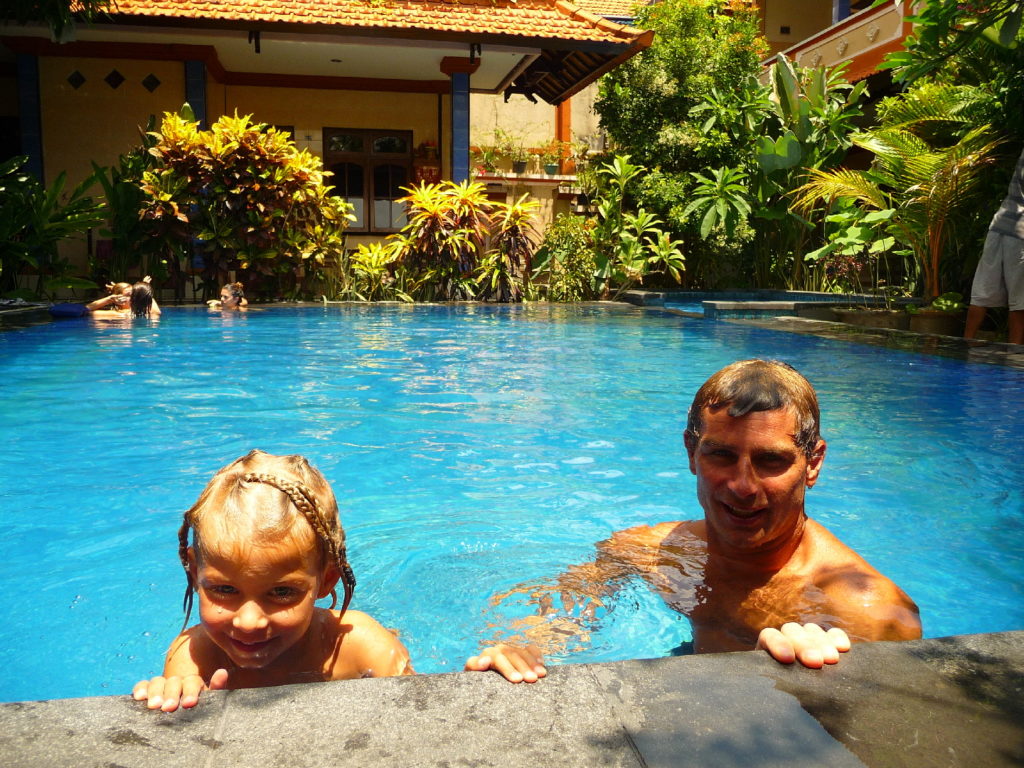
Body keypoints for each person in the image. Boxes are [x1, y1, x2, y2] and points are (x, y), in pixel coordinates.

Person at [491, 359, 921, 672]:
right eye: (721, 455)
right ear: (691, 453)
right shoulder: (650, 550)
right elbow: (566, 611)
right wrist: (518, 649)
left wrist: (818, 681)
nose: (742, 485)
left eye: (771, 461)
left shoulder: (866, 612)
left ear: (813, 463)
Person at [133, 450, 538, 712]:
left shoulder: (359, 647)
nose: (249, 622)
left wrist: (478, 684)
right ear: (193, 571)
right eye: (224, 589)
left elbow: (428, 717)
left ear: (326, 582)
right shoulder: (195, 654)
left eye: (281, 592)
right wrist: (175, 697)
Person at [964, 146, 1024, 345]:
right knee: (1020, 300)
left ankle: (966, 344)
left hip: (999, 224)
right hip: (1020, 231)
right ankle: (1014, 353)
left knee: (982, 291)